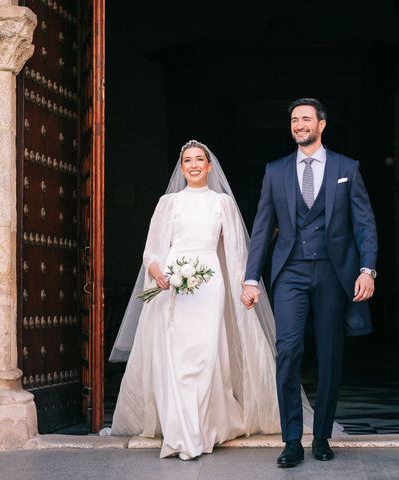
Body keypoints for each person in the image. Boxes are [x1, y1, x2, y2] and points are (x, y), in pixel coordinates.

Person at [108, 141, 325, 460]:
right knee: (177, 360)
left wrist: (246, 286)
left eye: (199, 160)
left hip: (209, 284)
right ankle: (184, 433)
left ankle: (205, 426)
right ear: (181, 169)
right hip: (173, 286)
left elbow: (237, 252)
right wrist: (157, 272)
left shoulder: (221, 203)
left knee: (206, 356)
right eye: (187, 161)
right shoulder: (168, 203)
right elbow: (151, 251)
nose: (193, 165)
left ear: (210, 167)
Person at [241, 98, 378, 468]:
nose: (299, 125)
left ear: (321, 125)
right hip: (290, 273)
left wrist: (367, 270)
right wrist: (251, 277)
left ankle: (321, 437)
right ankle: (291, 441)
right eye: (294, 120)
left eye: (306, 119)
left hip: (335, 275)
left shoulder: (347, 168)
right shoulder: (276, 170)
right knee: (287, 352)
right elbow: (261, 228)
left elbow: (364, 224)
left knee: (331, 353)